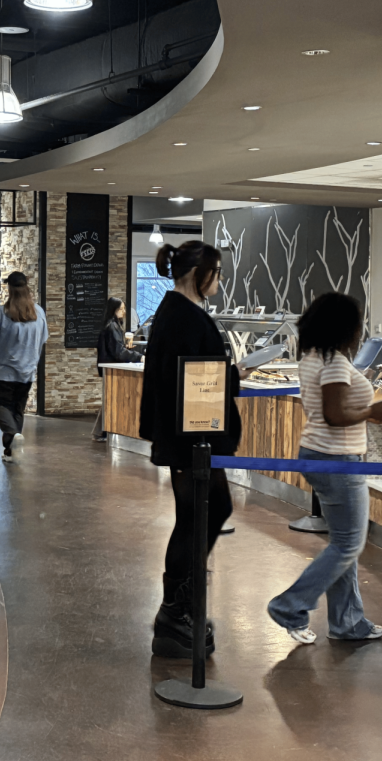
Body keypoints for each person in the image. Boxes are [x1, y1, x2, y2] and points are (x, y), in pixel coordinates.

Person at [267, 292, 382, 644]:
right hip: (338, 459)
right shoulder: (335, 363)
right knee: (348, 545)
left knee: (344, 543)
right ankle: (289, 605)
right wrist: (373, 412)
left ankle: (347, 622)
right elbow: (335, 415)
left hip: (316, 453)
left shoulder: (311, 357)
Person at [140, 241, 242, 660]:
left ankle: (180, 608)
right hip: (192, 440)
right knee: (205, 513)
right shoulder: (186, 318)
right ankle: (174, 611)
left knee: (200, 515)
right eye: (216, 273)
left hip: (183, 437)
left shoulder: (173, 313)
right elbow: (198, 381)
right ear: (200, 275)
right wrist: (232, 376)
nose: (219, 281)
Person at [0, 271, 49, 463]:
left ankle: (12, 434)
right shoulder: (39, 313)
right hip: (27, 373)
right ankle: (10, 452)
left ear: (10, 289)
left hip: (1, 372)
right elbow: (44, 339)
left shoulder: (1, 313)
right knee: (17, 410)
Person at [92, 296, 141, 441]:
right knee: (110, 399)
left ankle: (100, 432)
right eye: (121, 309)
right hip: (111, 367)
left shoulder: (111, 324)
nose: (124, 312)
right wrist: (138, 356)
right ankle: (102, 432)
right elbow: (118, 352)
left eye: (124, 308)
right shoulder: (112, 327)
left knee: (109, 398)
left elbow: (116, 349)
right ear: (113, 309)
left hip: (108, 366)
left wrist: (126, 348)